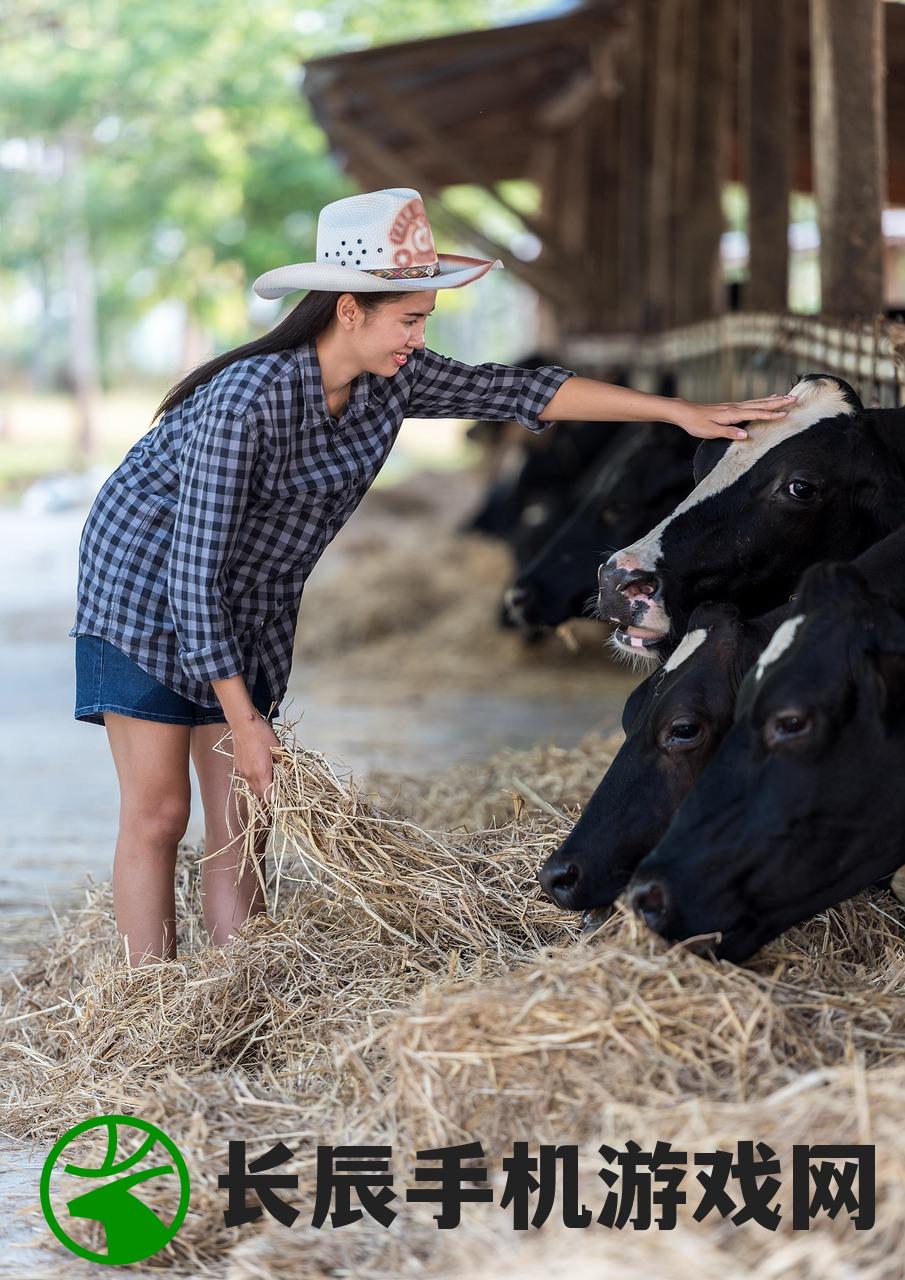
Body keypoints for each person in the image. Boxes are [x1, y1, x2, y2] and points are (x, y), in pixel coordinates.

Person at [69, 186, 795, 966]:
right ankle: (150, 997)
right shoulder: (247, 399)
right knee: (159, 812)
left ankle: (236, 980)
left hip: (250, 596)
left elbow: (523, 391)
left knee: (246, 813)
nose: (419, 338)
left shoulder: (392, 380)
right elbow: (193, 572)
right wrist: (243, 720)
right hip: (146, 591)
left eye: (425, 320)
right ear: (349, 311)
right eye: (408, 320)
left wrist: (676, 412)